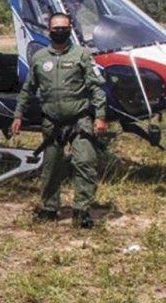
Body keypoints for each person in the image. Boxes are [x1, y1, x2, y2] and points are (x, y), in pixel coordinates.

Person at [11, 12, 108, 228]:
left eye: (64, 28)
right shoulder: (40, 58)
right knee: (51, 167)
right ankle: (49, 208)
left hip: (79, 119)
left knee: (84, 162)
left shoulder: (81, 55)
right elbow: (28, 89)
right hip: (51, 122)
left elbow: (96, 87)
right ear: (49, 30)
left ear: (70, 28)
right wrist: (18, 114)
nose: (59, 32)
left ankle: (82, 209)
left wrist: (100, 116)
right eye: (56, 28)